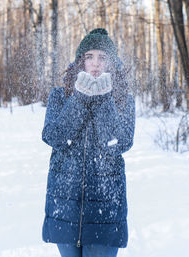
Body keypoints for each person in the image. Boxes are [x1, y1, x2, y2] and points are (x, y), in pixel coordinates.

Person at [41, 28, 135, 257]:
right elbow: (54, 137)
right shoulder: (60, 95)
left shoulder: (123, 100)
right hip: (65, 207)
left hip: (105, 210)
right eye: (89, 57)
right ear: (80, 61)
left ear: (111, 63)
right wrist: (80, 98)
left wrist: (103, 99)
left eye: (102, 57)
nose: (95, 64)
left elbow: (119, 142)